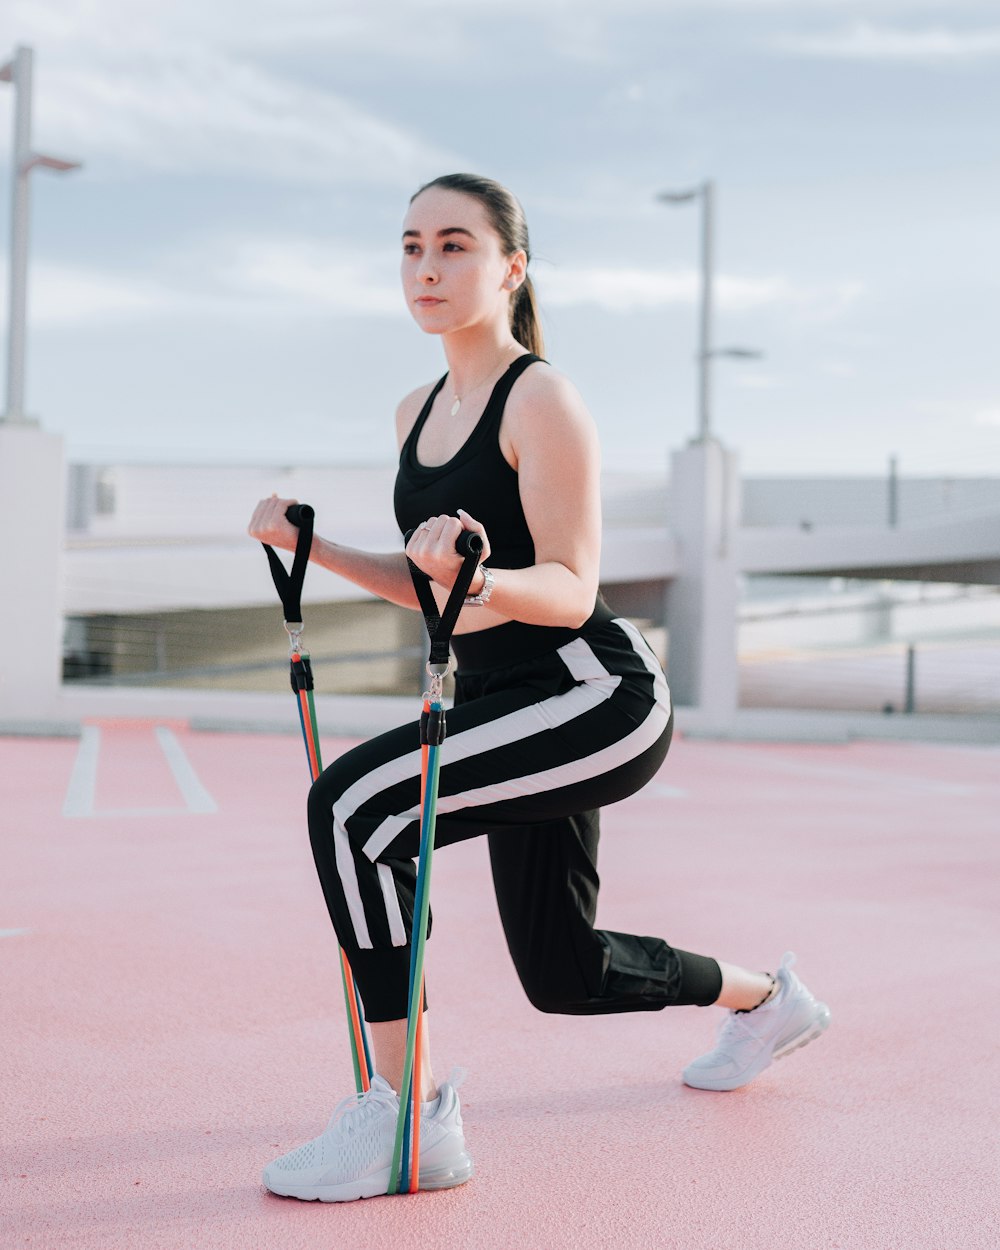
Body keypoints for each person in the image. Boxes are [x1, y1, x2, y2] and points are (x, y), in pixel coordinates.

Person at [248, 173, 830, 1204]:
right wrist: (317, 545)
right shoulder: (415, 408)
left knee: (354, 807)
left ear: (511, 265)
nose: (427, 267)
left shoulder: (542, 396)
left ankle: (407, 1117)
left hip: (595, 693)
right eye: (412, 246)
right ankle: (771, 1001)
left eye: (455, 246)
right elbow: (433, 589)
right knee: (564, 972)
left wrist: (478, 572)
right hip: (501, 698)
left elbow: (565, 589)